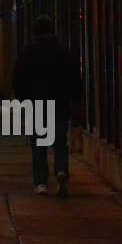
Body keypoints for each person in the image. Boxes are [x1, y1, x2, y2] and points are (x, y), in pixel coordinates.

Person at [12, 14, 82, 198]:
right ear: (53, 30)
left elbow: (18, 79)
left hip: (36, 105)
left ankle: (41, 182)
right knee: (60, 142)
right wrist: (75, 100)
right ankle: (61, 170)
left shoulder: (28, 52)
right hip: (60, 105)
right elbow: (74, 80)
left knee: (38, 145)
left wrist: (21, 99)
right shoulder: (64, 52)